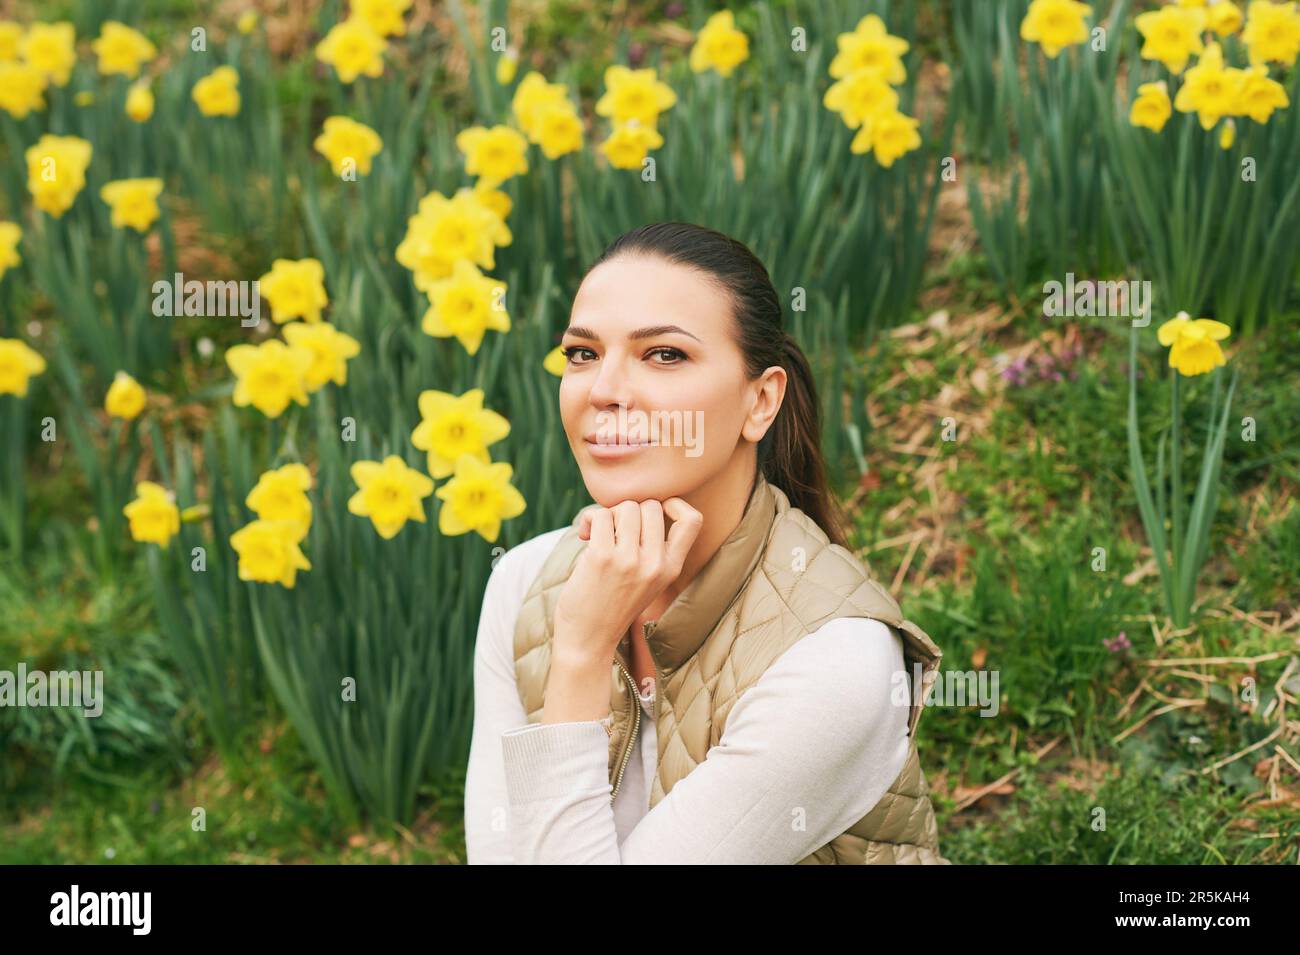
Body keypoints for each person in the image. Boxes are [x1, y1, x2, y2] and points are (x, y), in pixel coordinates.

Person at [464, 221, 949, 864]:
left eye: (664, 355)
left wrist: (580, 654)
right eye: (582, 354)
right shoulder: (525, 582)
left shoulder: (836, 661)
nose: (604, 391)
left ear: (761, 401)